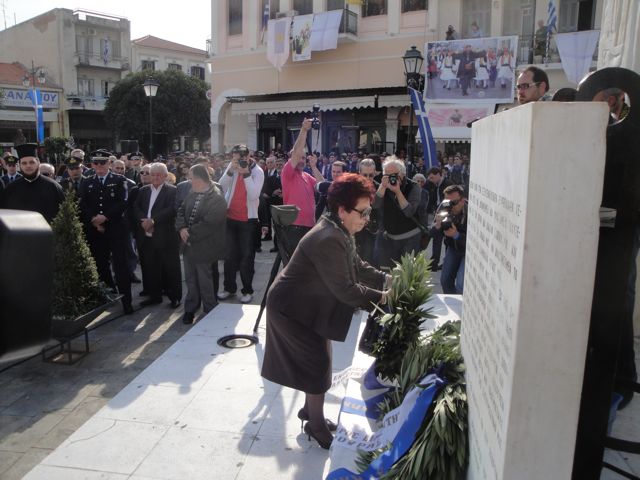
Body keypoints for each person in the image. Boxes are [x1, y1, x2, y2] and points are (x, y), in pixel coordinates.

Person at [261, 174, 390, 450]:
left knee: (319, 359)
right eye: (363, 212)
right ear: (343, 210)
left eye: (369, 211)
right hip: (290, 308)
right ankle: (315, 424)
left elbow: (358, 266)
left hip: (306, 304)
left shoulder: (338, 228)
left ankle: (310, 411)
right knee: (316, 363)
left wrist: (386, 280)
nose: (367, 218)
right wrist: (384, 297)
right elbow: (346, 289)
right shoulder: (329, 236)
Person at [78, 150, 133, 314]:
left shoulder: (119, 180)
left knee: (121, 266)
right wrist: (94, 220)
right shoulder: (87, 182)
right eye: (96, 163)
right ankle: (109, 294)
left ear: (109, 163)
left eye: (103, 163)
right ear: (92, 165)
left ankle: (127, 301)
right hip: (96, 230)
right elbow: (83, 204)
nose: (99, 166)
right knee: (100, 264)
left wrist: (105, 217)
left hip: (115, 228)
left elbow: (123, 202)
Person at [176, 164, 227, 324]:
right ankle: (190, 308)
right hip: (188, 244)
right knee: (190, 279)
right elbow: (181, 211)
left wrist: (188, 234)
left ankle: (210, 309)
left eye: (190, 178)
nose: (189, 181)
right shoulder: (192, 192)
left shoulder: (217, 197)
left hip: (205, 245)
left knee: (205, 279)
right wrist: (182, 228)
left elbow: (210, 223)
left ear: (199, 179)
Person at [218, 144, 264, 303]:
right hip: (230, 217)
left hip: (247, 220)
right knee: (229, 256)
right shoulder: (233, 166)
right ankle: (229, 288)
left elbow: (253, 195)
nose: (238, 161)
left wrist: (246, 175)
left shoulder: (257, 172)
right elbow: (221, 186)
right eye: (235, 158)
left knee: (246, 257)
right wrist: (231, 170)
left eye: (240, 158)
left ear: (248, 156)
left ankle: (247, 290)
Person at [133, 162, 182, 308]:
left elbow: (172, 209)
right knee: (151, 267)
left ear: (165, 176)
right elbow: (136, 207)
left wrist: (153, 221)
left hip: (166, 236)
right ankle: (155, 296)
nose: (155, 177)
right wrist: (144, 221)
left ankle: (175, 297)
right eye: (152, 174)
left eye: (158, 175)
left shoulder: (173, 191)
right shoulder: (143, 190)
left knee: (171, 268)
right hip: (146, 235)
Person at [373, 156, 422, 269]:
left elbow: (409, 212)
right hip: (390, 238)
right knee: (391, 272)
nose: (391, 178)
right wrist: (382, 187)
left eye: (394, 174)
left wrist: (398, 191)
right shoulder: (383, 186)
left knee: (407, 273)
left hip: (410, 238)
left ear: (403, 174)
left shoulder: (413, 187)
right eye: (387, 175)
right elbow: (375, 205)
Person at [280, 119, 324, 243]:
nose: (301, 160)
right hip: (294, 225)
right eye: (299, 158)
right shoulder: (287, 173)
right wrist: (304, 130)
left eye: (304, 158)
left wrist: (314, 167)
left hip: (310, 225)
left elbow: (323, 186)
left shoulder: (307, 176)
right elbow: (297, 151)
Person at [2, 143, 64, 224]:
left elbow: (64, 216)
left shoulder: (54, 187)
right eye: (24, 163)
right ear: (19, 165)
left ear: (38, 162)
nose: (28, 166)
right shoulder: (10, 189)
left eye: (31, 162)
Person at [436, 185, 467, 294]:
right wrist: (437, 226)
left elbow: (476, 241)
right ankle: (452, 301)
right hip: (453, 248)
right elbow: (432, 233)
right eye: (447, 202)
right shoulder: (444, 206)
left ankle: (460, 303)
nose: (450, 206)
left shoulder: (471, 212)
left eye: (453, 202)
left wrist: (456, 235)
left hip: (467, 251)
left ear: (462, 200)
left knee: (461, 284)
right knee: (445, 280)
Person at [426, 167, 452, 270]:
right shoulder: (434, 185)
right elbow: (433, 199)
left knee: (447, 241)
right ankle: (434, 263)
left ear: (438, 174)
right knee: (436, 238)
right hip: (438, 214)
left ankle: (447, 263)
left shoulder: (448, 184)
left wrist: (442, 215)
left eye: (432, 177)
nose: (430, 180)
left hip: (446, 216)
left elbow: (448, 202)